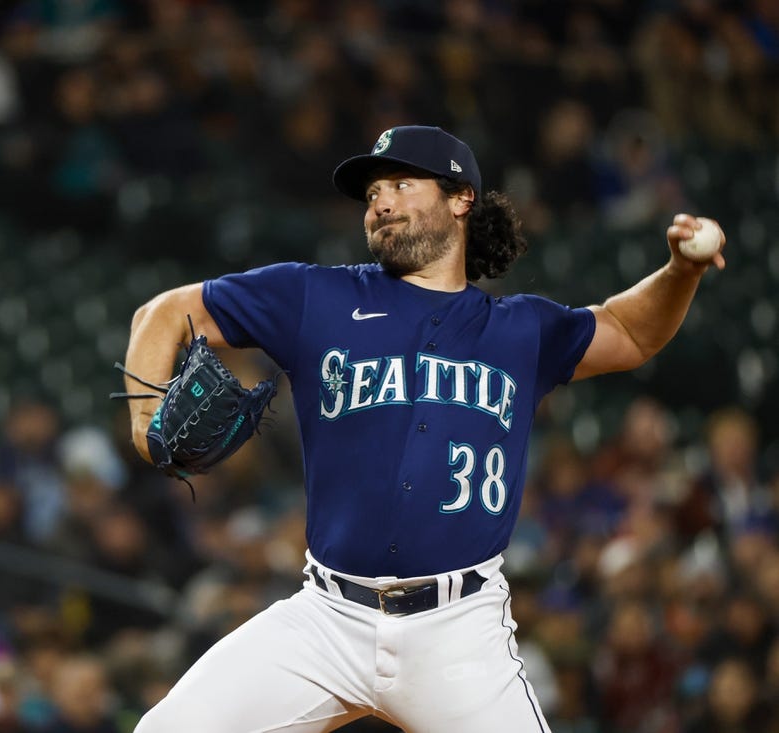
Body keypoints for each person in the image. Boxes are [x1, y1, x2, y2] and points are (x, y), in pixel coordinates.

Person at [121, 125, 726, 732]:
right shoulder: (316, 297)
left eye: (401, 184)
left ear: (460, 198)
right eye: (372, 192)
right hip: (327, 619)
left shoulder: (522, 331)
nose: (380, 201)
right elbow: (165, 312)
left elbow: (631, 332)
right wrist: (147, 424)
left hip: (457, 632)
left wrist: (681, 272)